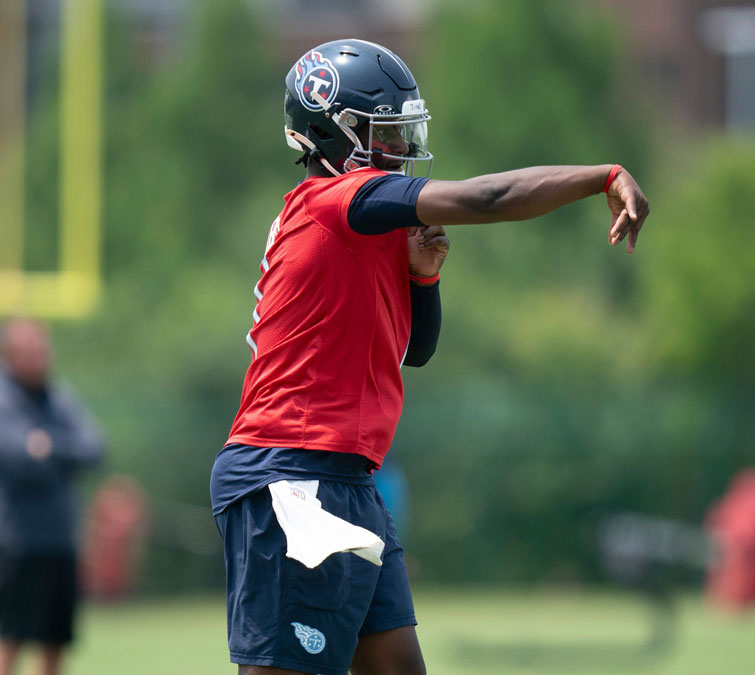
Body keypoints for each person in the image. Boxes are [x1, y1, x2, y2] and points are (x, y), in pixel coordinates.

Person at [210, 39, 651, 675]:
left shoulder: (362, 219)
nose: (400, 148)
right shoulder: (337, 203)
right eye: (382, 133)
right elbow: (486, 199)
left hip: (346, 478)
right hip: (290, 475)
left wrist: (423, 278)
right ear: (329, 132)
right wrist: (602, 176)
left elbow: (415, 350)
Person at [0, 318, 105, 675]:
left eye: (44, 351)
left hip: (59, 541)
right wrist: (58, 452)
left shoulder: (57, 396)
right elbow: (20, 460)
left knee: (54, 644)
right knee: (8, 640)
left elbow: (93, 448)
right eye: (32, 352)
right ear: (9, 356)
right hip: (16, 543)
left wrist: (47, 445)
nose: (42, 359)